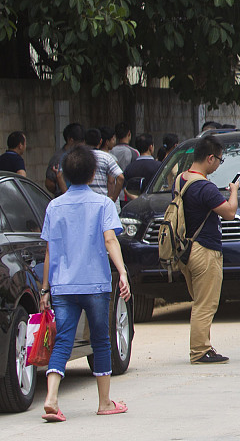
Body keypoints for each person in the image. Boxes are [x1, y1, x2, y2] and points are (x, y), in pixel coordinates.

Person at [38, 146, 132, 421]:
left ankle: (51, 398)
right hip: (95, 285)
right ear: (93, 175)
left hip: (63, 286)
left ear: (65, 175)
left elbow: (49, 251)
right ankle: (104, 402)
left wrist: (45, 289)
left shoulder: (54, 206)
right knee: (101, 340)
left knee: (63, 340)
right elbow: (110, 239)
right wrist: (122, 272)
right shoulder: (103, 204)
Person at [178, 136, 240, 363]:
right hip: (204, 250)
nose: (218, 165)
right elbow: (230, 212)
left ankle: (203, 346)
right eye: (219, 161)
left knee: (200, 301)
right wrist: (233, 191)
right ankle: (200, 351)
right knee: (205, 303)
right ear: (210, 158)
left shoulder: (181, 179)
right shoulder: (205, 186)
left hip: (186, 248)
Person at [84, 128, 124, 202]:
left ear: (85, 142)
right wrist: (113, 198)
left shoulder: (79, 157)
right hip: (101, 200)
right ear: (100, 141)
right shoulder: (106, 157)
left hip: (84, 200)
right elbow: (120, 178)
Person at [46, 123, 85, 196]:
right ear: (70, 140)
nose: (82, 146)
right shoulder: (58, 158)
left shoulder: (84, 156)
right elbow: (49, 183)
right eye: (79, 143)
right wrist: (59, 191)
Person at [122, 133, 158, 199]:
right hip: (154, 201)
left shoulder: (129, 167)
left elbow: (124, 188)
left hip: (134, 203)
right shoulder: (159, 166)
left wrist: (136, 198)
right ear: (150, 147)